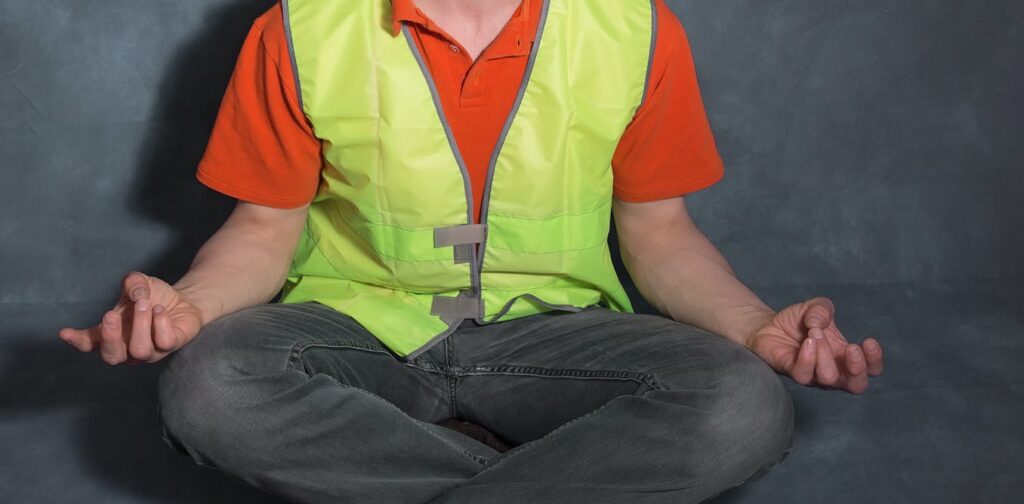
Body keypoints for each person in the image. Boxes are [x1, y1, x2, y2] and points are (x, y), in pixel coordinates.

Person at [58, 0, 885, 502]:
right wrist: (192, 306)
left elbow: (660, 231)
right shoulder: (301, 29)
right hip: (359, 335)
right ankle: (545, 475)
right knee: (210, 385)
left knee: (741, 403)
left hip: (556, 340)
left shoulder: (635, 28)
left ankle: (434, 469)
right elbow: (262, 229)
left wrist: (756, 329)